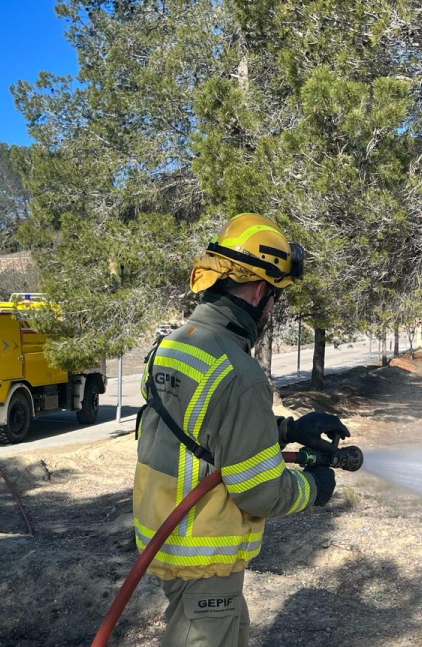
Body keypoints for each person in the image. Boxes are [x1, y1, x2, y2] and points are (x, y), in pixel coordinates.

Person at [133, 214, 350, 647]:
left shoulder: (175, 344)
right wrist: (315, 487)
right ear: (257, 290)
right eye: (275, 297)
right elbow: (259, 491)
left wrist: (287, 430)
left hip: (166, 540)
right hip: (205, 556)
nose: (272, 309)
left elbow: (201, 424)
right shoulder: (240, 374)